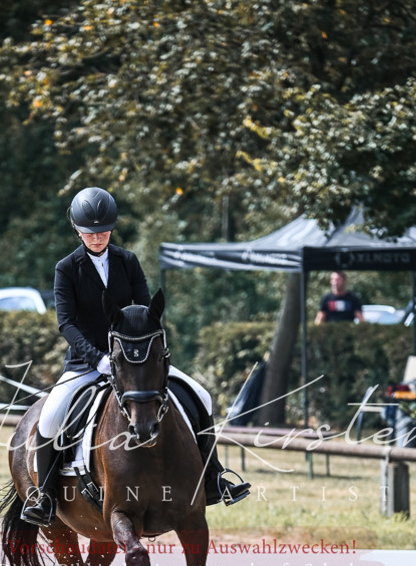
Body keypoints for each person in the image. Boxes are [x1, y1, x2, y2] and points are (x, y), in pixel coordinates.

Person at [20, 186, 250, 526]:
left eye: (103, 231)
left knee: (201, 395)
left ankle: (214, 478)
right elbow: (66, 323)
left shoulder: (127, 261)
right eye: (89, 232)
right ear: (77, 230)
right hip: (87, 363)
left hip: (135, 362)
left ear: (112, 228)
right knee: (51, 417)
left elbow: (145, 310)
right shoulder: (67, 268)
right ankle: (46, 496)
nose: (97, 237)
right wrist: (98, 358)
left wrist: (142, 352)